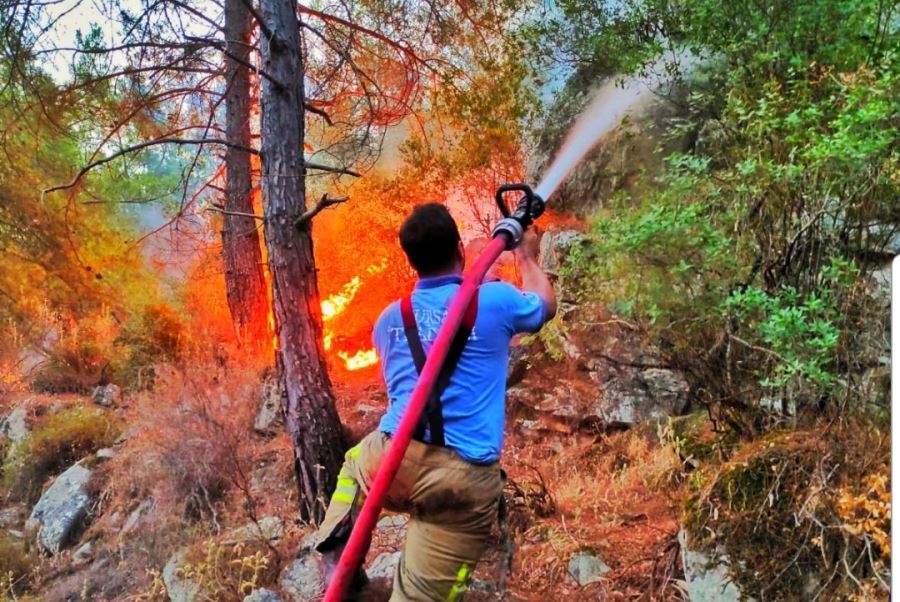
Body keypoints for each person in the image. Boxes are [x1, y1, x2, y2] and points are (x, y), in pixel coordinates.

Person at [315, 203, 557, 601]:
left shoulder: (388, 319)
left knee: (354, 464)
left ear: (411, 260)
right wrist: (525, 255)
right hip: (462, 482)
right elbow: (544, 306)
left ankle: (337, 555)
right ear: (460, 249)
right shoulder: (495, 300)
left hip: (393, 461)